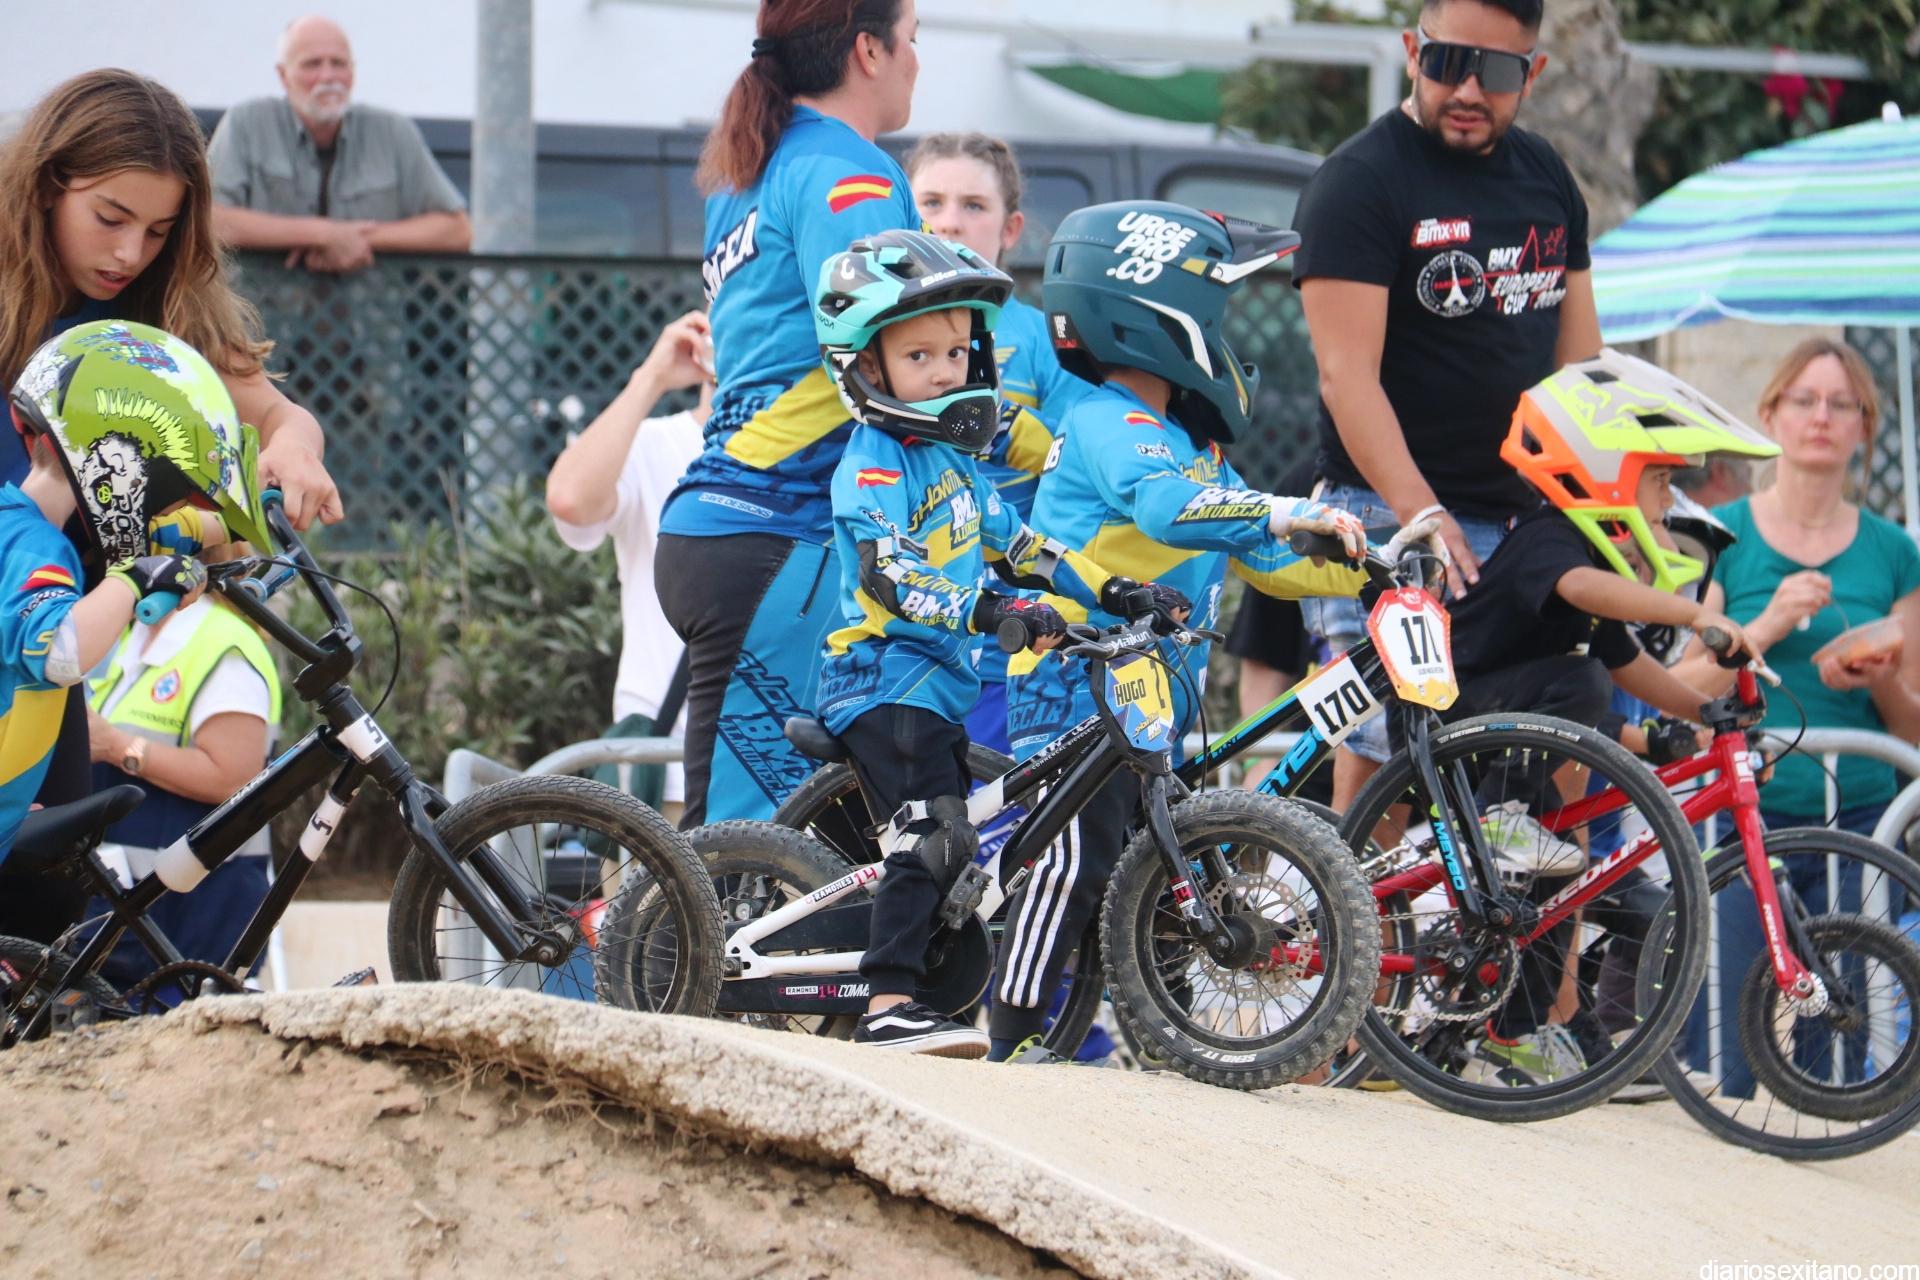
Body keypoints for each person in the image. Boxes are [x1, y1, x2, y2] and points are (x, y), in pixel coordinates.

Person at [990, 201, 1385, 1064]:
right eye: (1219, 311)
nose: (1228, 333)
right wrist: (1282, 508)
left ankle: (1169, 1042)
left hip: (1148, 696)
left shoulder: (1189, 444)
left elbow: (1266, 558)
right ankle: (1009, 1036)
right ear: (1160, 316)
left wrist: (1373, 565)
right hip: (1076, 679)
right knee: (1076, 858)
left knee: (1158, 870)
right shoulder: (1110, 420)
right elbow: (1165, 508)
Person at [807, 230, 1179, 1055]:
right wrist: (988, 610)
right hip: (880, 678)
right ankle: (886, 1006)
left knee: (975, 828)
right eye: (919, 356)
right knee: (935, 832)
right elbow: (891, 577)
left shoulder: (957, 465)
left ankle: (941, 969)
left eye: (956, 351)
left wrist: (1116, 591)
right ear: (867, 370)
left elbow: (1027, 548)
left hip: (936, 682)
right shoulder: (873, 467)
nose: (946, 371)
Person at [0, 70, 339, 942]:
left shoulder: (159, 313)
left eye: (157, 231)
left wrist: (295, 449)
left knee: (40, 908)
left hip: (49, 670)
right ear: (45, 186)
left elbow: (277, 415)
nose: (129, 253)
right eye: (110, 217)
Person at [1433, 349, 1777, 1080]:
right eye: (1661, 479)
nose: (1668, 499)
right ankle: (1499, 821)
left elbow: (1634, 667)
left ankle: (1513, 1034)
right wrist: (1694, 614)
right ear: (1605, 471)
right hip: (1456, 714)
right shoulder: (1549, 537)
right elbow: (1580, 590)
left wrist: (1712, 714)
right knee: (1579, 679)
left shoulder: (1589, 556)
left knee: (1561, 889)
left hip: (1505, 742)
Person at [1291, 0, 1600, 810]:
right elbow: (1346, 378)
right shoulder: (1359, 182)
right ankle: (1342, 898)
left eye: (1494, 71)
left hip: (1522, 521)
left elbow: (1581, 373)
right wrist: (1421, 512)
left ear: (1532, 73)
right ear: (1410, 51)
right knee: (1387, 769)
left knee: (1552, 761)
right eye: (1447, 61)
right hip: (1387, 518)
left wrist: (1609, 516)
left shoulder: (1547, 178)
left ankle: (1529, 902)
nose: (1467, 88)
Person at [655, 0, 922, 828]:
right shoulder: (851, 173)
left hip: (734, 527)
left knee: (822, 853)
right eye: (914, 39)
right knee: (742, 861)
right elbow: (883, 359)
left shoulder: (752, 168)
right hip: (784, 533)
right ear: (869, 51)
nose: (919, 61)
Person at [1670, 338, 1920, 1101]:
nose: (1821, 417)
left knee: (1836, 1054)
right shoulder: (1724, 535)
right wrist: (1767, 626)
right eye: (1805, 400)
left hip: (1860, 823)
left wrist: (1881, 678)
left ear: (1864, 427)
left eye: (1841, 404)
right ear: (1771, 413)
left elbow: (1913, 727)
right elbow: (1679, 687)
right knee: (1724, 1047)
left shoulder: (1894, 551)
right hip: (1741, 818)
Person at [3, 320, 274, 862]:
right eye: (159, 489)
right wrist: (133, 579)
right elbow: (59, 651)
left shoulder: (15, 528)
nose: (156, 509)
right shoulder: (38, 548)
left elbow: (160, 534)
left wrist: (227, 520)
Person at [905, 131, 1089, 756]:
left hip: (1007, 616)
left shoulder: (1041, 339)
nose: (949, 222)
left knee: (995, 797)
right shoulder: (870, 332)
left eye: (973, 205)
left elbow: (1079, 466)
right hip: (901, 610)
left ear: (1011, 229)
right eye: (931, 202)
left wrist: (1016, 432)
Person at [84, 534, 281, 997]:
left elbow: (233, 778)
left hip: (189, 932)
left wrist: (117, 747)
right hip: (135, 927)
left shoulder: (223, 643)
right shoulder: (137, 634)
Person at [545, 311, 714, 825]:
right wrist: (650, 378)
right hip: (661, 777)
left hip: (785, 781)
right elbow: (570, 499)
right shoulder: (655, 444)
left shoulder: (822, 453)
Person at [208, 15, 471, 272]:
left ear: (353, 72)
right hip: (264, 301)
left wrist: (358, 239)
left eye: (338, 63)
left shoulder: (393, 131)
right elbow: (207, 219)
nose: (328, 76)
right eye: (312, 64)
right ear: (283, 75)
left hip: (371, 302)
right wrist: (319, 234)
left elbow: (457, 230)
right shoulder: (246, 122)